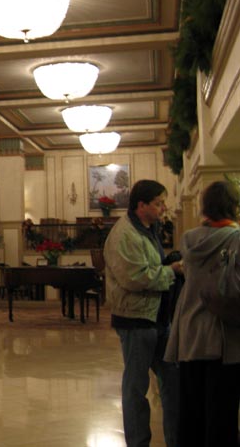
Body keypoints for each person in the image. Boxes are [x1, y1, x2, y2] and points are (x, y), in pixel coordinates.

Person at [104, 179, 183, 447]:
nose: (164, 208)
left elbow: (150, 266)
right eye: (159, 203)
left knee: (172, 382)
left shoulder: (148, 230)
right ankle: (138, 442)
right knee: (136, 387)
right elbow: (135, 278)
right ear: (141, 205)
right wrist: (171, 271)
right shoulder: (124, 234)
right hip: (136, 320)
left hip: (157, 318)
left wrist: (167, 263)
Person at [164, 180, 240, 447]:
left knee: (191, 411)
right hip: (224, 336)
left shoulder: (189, 240)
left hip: (191, 333)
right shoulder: (236, 238)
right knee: (221, 414)